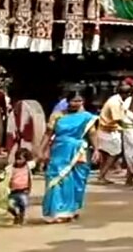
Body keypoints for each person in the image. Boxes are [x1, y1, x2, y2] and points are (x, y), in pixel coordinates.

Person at [40, 90, 98, 223]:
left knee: (77, 181)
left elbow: (92, 134)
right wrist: (41, 150)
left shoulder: (87, 117)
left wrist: (96, 150)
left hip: (78, 151)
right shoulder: (57, 115)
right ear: (67, 101)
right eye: (74, 101)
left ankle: (70, 210)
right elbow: (48, 133)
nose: (77, 104)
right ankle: (55, 211)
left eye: (80, 101)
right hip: (59, 150)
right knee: (56, 178)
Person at [96, 80, 130, 184]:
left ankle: (102, 174)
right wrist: (131, 127)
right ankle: (102, 176)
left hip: (107, 130)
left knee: (107, 154)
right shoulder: (115, 103)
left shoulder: (117, 100)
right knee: (114, 153)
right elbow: (118, 120)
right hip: (108, 130)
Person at [0, 147, 34, 225]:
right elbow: (2, 176)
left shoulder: (28, 167)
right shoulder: (10, 168)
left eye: (20, 159)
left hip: (24, 191)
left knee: (23, 205)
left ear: (25, 160)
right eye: (16, 158)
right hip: (13, 192)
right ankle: (16, 215)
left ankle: (21, 218)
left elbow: (30, 175)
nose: (18, 161)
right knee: (10, 206)